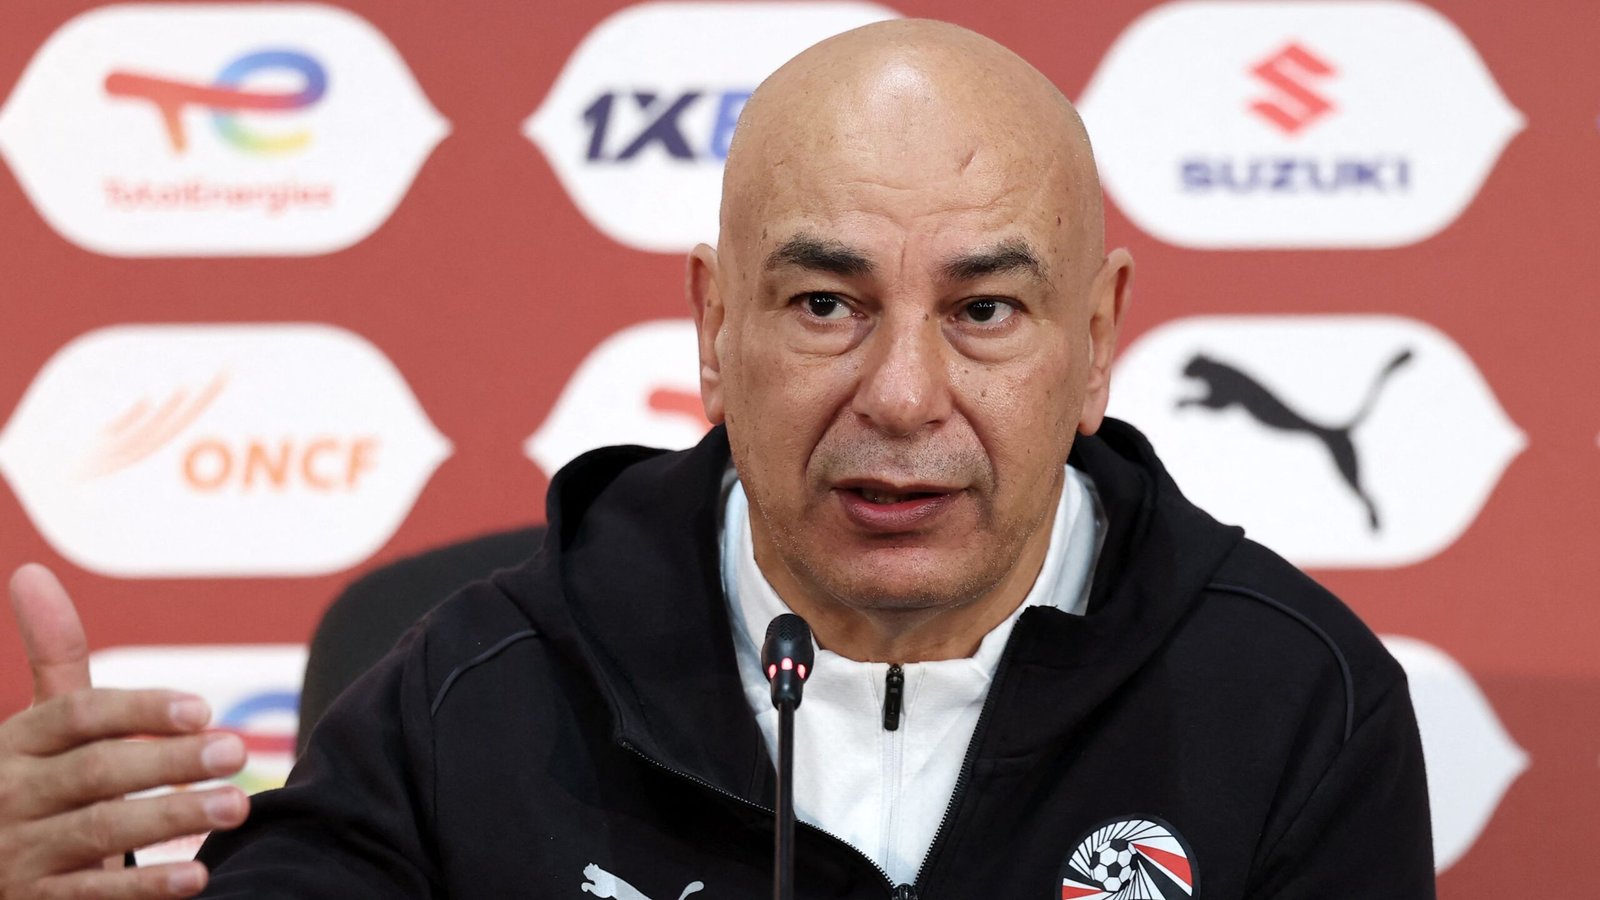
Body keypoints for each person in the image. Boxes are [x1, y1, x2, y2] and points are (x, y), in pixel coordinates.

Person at [0, 19, 1434, 899]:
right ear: (712, 324)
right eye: (827, 305)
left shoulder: (1297, 700)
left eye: (986, 311)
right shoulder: (483, 681)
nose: (904, 394)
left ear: (1098, 337)